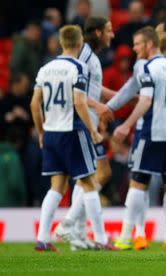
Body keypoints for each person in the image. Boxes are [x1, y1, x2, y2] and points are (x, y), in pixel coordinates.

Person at [30, 25, 114, 251]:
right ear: (79, 44)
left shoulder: (46, 68)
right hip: (72, 130)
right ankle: (101, 238)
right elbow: (79, 101)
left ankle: (42, 238)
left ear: (61, 42)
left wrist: (40, 132)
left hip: (51, 133)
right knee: (88, 182)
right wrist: (93, 130)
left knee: (56, 187)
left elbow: (34, 104)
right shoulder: (78, 67)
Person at [112, 26, 166, 251]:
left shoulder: (148, 68)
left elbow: (145, 101)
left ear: (149, 44)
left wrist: (126, 125)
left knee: (137, 183)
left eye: (138, 44)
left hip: (153, 131)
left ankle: (126, 237)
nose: (135, 48)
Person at [54, 17, 115, 250]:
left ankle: (76, 234)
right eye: (109, 30)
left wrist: (122, 96)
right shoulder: (83, 56)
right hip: (80, 121)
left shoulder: (91, 56)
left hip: (89, 120)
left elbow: (95, 90)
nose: (113, 34)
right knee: (97, 174)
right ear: (98, 32)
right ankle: (69, 224)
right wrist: (97, 110)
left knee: (90, 176)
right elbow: (75, 90)